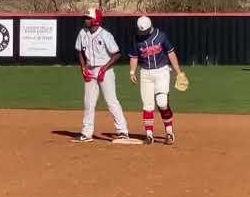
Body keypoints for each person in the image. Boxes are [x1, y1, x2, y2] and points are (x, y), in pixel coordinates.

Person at [128, 16, 188, 145]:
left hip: (162, 71)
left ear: (150, 27)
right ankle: (149, 135)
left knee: (162, 102)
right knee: (148, 105)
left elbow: (171, 53)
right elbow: (134, 56)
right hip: (145, 73)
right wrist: (132, 71)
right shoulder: (136, 39)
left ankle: (169, 132)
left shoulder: (161, 36)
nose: (142, 34)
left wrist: (178, 72)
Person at [73, 8, 129, 143]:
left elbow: (117, 54)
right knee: (89, 103)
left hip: (105, 69)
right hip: (90, 69)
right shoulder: (82, 32)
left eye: (88, 18)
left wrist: (104, 68)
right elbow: (79, 50)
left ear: (95, 20)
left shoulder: (105, 35)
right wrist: (83, 67)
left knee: (111, 101)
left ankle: (123, 132)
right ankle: (87, 133)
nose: (85, 20)